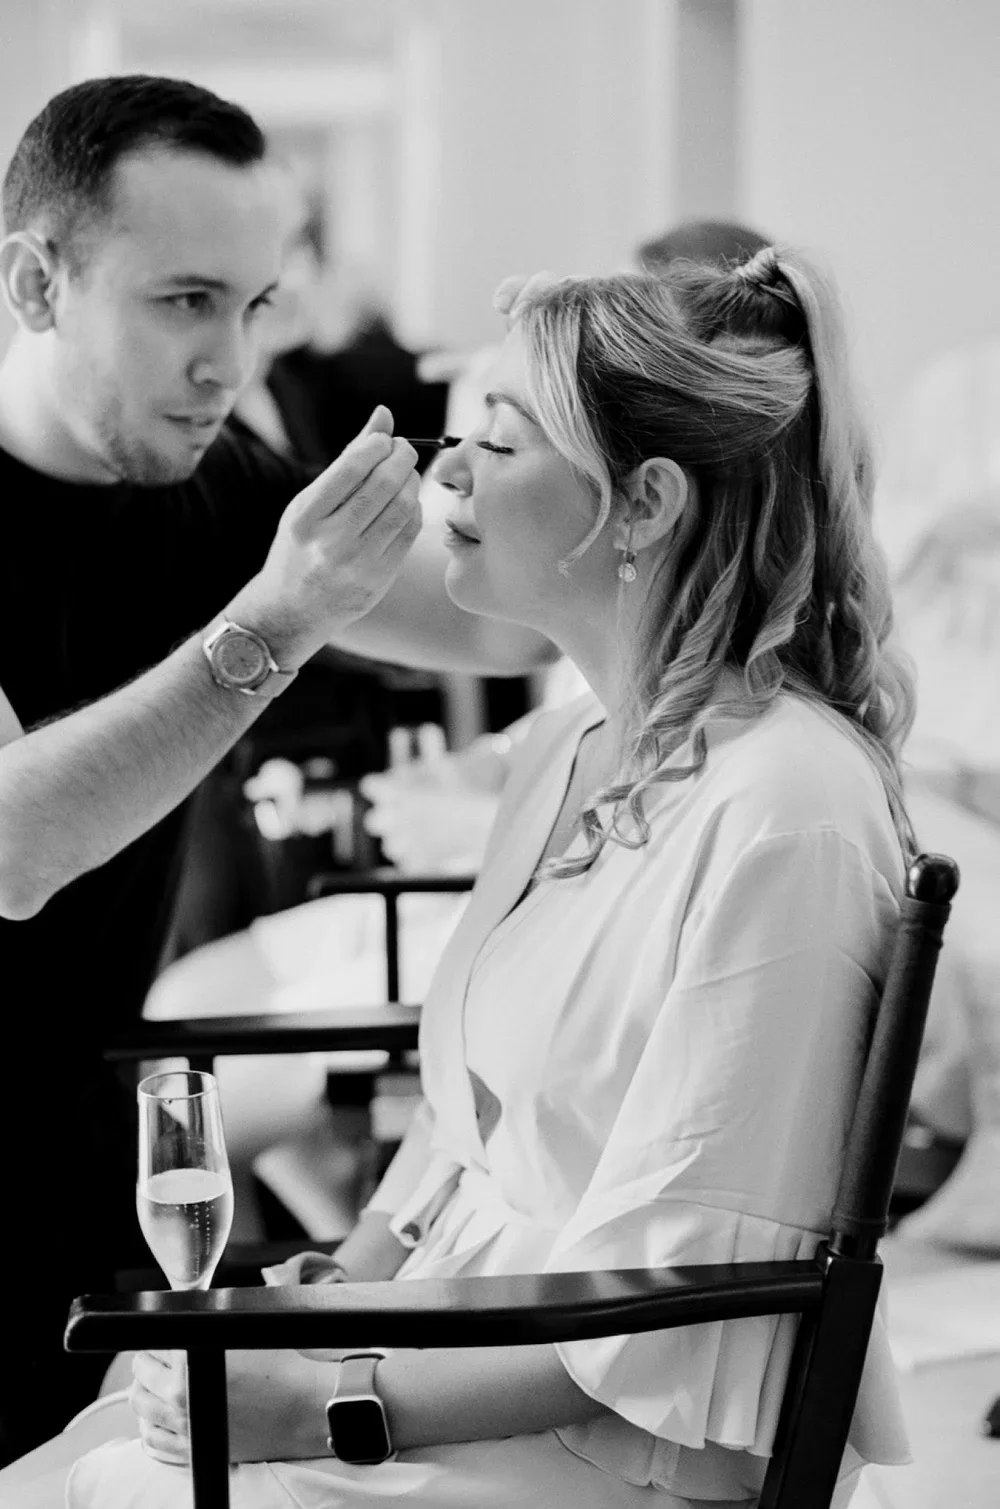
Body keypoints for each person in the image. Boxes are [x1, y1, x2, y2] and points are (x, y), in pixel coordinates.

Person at [2, 246, 918, 1508]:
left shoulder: (785, 810)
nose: (445, 471)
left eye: (500, 440)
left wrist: (332, 1398)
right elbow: (460, 1132)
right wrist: (334, 1286)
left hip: (612, 1445)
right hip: (454, 1331)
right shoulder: (569, 743)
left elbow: (669, 1313)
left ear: (643, 503)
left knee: (91, 1491)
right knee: (82, 1439)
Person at [0, 73, 551, 1462]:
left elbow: (513, 599)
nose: (228, 362)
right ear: (36, 283)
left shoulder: (221, 483)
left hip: (73, 1142)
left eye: (254, 306)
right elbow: (11, 851)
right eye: (184, 300)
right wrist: (277, 623)